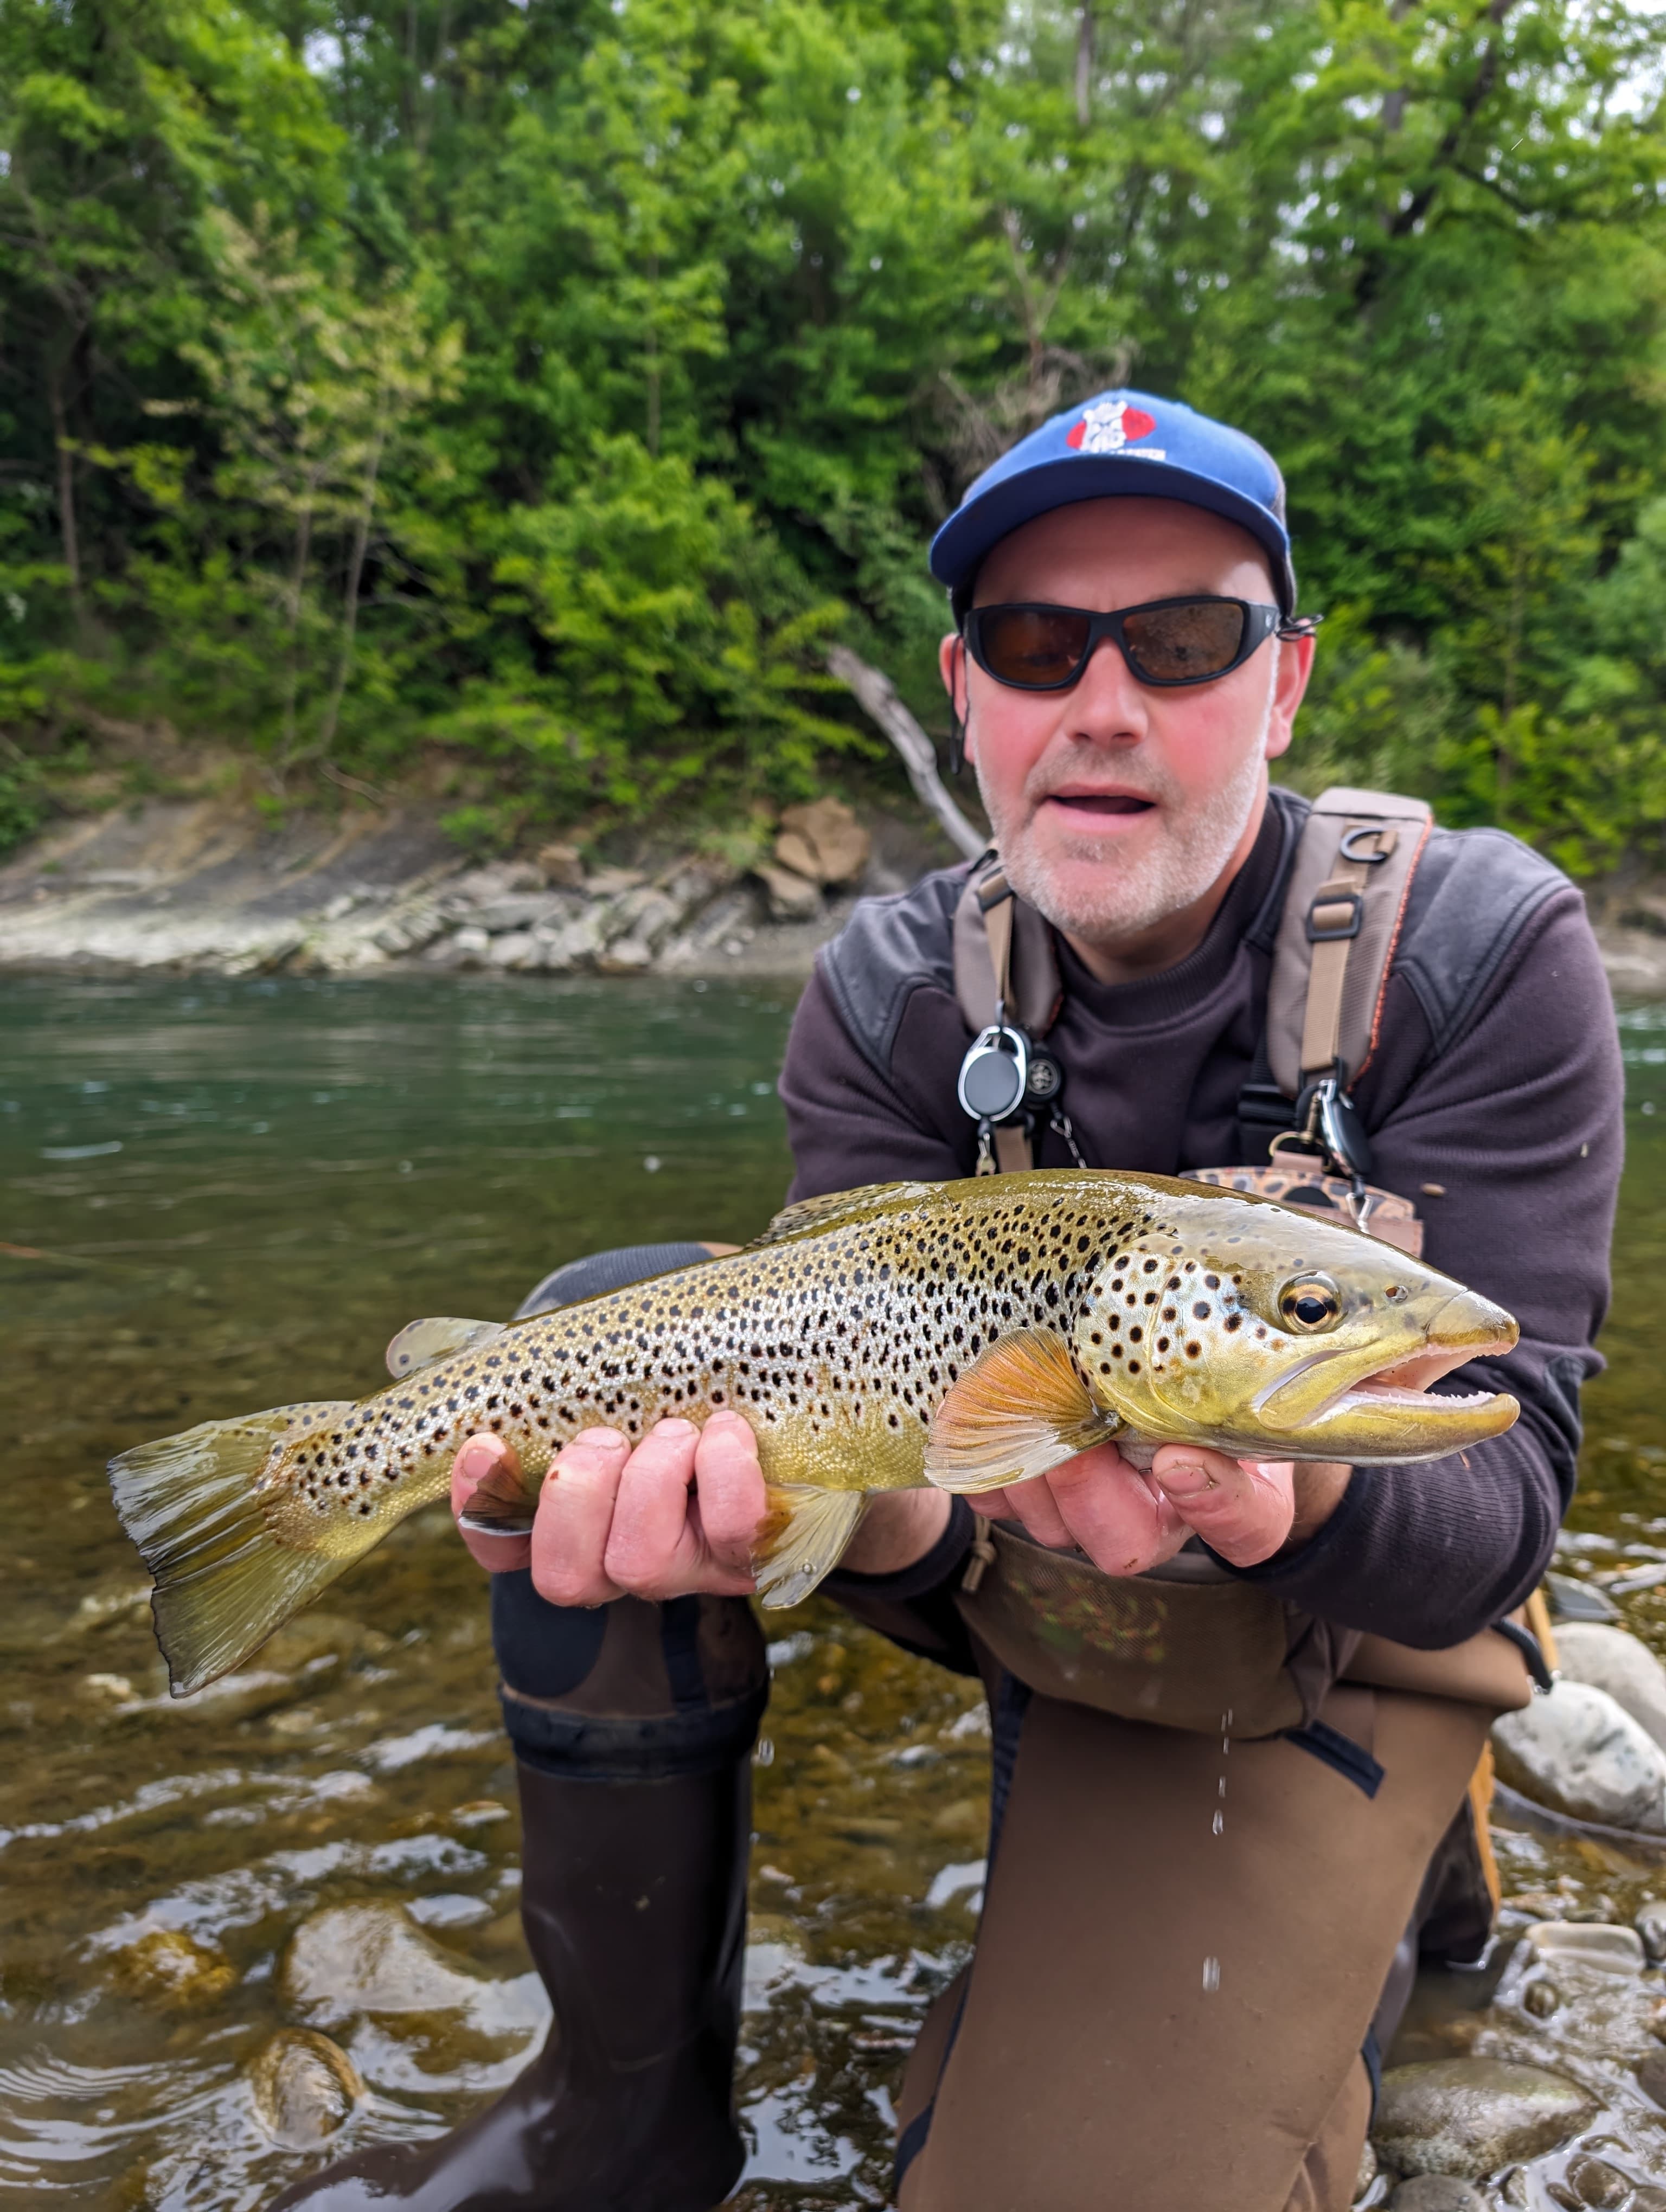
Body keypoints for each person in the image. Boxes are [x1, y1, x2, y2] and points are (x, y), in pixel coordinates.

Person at [273, 391, 1623, 2212]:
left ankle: (1401, 1846)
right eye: (1036, 641)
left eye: (1188, 639)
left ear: (1287, 685)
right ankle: (623, 2114)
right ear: (966, 688)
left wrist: (1278, 1480)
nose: (1107, 701)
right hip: (1017, 1556)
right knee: (613, 1324)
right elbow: (887, 1498)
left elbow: (1507, 1495)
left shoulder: (1479, 956)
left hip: (1372, 1613)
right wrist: (846, 1507)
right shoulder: (892, 987)